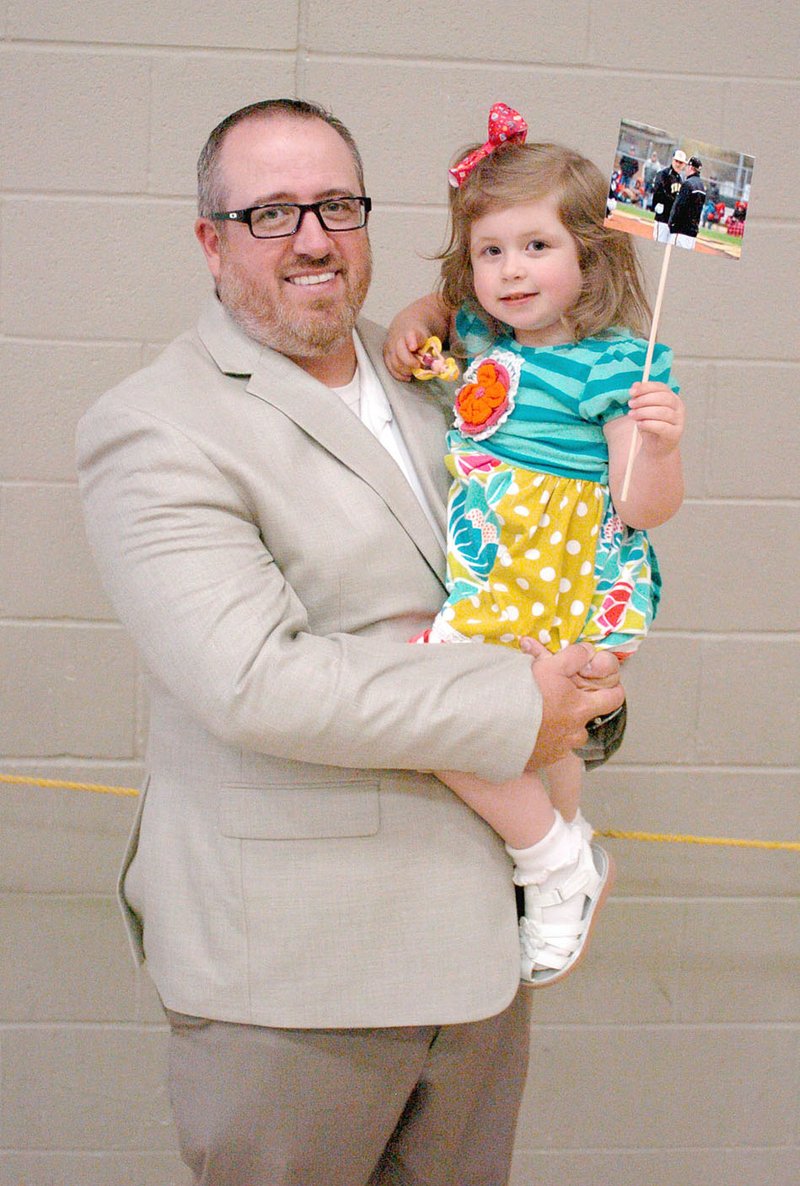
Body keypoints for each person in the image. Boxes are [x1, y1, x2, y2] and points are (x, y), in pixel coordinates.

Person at [76, 99, 626, 1186]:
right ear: (211, 241)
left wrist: (587, 694)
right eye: (271, 212)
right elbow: (257, 682)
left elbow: (523, 571)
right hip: (294, 986)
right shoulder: (155, 425)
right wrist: (524, 708)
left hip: (475, 970)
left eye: (336, 204)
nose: (313, 238)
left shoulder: (453, 378)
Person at [384, 106, 685, 987]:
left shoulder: (617, 366)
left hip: (549, 569)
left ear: (589, 255)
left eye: (537, 247)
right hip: (491, 550)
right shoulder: (481, 336)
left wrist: (657, 444)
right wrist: (418, 310)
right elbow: (441, 307)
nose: (511, 270)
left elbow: (643, 506)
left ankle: (551, 864)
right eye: (490, 251)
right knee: (535, 738)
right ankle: (570, 847)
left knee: (436, 714)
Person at [668, 156, 707, 250]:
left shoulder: (687, 184)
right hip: (692, 231)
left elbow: (679, 206)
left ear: (690, 167)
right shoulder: (702, 186)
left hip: (681, 230)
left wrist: (672, 223)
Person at [651, 149, 686, 243]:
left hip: (672, 219)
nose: (678, 164)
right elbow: (657, 191)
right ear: (672, 160)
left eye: (681, 162)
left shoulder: (680, 179)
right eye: (676, 161)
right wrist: (656, 204)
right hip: (663, 217)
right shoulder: (664, 174)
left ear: (684, 164)